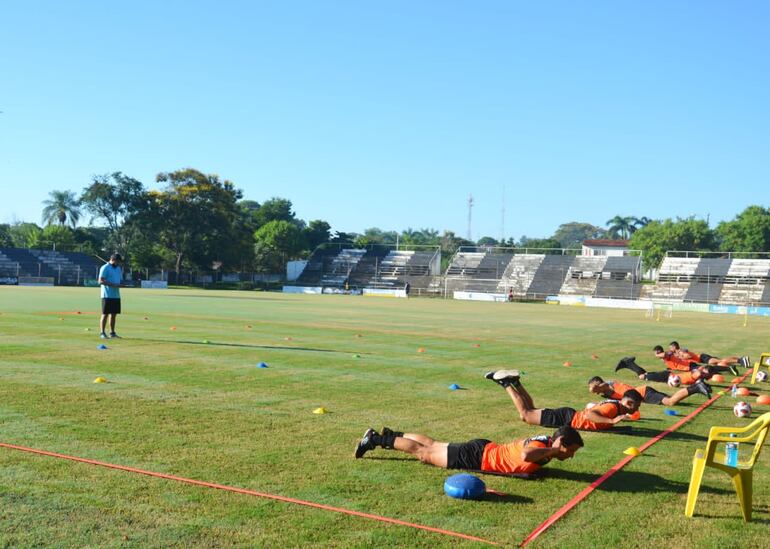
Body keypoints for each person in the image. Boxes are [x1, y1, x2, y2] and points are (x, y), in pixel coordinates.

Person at [354, 425, 583, 476]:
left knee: (432, 445)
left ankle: (392, 435)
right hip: (478, 456)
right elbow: (525, 455)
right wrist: (553, 452)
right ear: (560, 441)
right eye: (570, 450)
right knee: (424, 453)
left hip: (483, 449)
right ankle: (374, 440)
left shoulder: (544, 442)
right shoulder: (543, 447)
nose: (571, 455)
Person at [485, 370, 641, 431]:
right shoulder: (613, 410)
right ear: (628, 403)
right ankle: (505, 382)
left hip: (568, 416)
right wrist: (612, 421)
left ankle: (516, 381)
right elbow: (590, 416)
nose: (637, 409)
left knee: (531, 408)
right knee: (525, 415)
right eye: (637, 406)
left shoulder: (616, 406)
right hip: (567, 419)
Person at [587, 375, 711, 406]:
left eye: (595, 389)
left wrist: (594, 386)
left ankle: (696, 387)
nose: (596, 393)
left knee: (670, 402)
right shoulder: (606, 392)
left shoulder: (610, 385)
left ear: (599, 384)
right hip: (644, 392)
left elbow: (605, 384)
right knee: (673, 398)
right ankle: (699, 384)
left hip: (644, 393)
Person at [615, 356, 712, 386]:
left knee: (644, 375)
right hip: (666, 377)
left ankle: (627, 364)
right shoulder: (697, 374)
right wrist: (701, 369)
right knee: (642, 377)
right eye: (707, 373)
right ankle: (628, 363)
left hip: (667, 377)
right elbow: (698, 373)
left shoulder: (699, 377)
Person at [652, 346, 738, 377]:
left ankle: (728, 368)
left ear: (659, 352)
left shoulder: (666, 355)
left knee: (706, 369)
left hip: (689, 366)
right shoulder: (667, 357)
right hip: (688, 367)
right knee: (706, 372)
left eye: (656, 353)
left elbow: (664, 355)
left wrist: (656, 355)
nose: (656, 355)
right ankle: (724, 370)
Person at [668, 341, 749, 369]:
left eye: (670, 347)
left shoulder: (681, 351)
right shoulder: (677, 353)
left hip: (702, 358)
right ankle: (740, 358)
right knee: (721, 361)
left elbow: (688, 356)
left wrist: (680, 357)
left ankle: (740, 361)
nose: (669, 349)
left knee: (720, 361)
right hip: (702, 359)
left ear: (674, 347)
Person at [98, 253, 124, 339]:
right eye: (118, 262)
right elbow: (100, 281)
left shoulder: (118, 269)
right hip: (106, 295)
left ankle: (112, 333)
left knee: (113, 315)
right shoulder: (105, 267)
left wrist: (120, 285)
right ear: (113, 260)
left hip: (116, 295)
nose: (119, 264)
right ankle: (102, 333)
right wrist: (113, 285)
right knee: (105, 314)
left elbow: (118, 280)